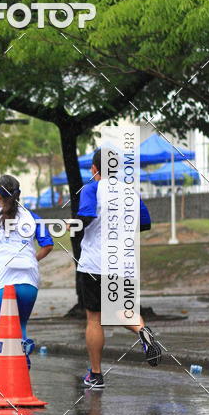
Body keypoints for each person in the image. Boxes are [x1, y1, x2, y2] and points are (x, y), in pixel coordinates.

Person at [77, 149, 162, 390]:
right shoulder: (130, 192)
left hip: (95, 263)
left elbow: (86, 218)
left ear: (94, 169)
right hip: (123, 265)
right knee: (121, 310)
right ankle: (143, 331)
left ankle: (96, 375)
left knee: (95, 318)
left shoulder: (92, 189)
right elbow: (144, 224)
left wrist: (70, 226)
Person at [0, 175, 53, 367]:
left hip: (2, 280)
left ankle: (14, 367)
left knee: (8, 327)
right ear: (18, 193)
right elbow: (48, 245)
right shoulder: (32, 217)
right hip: (29, 279)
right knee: (21, 324)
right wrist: (32, 259)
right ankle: (23, 357)